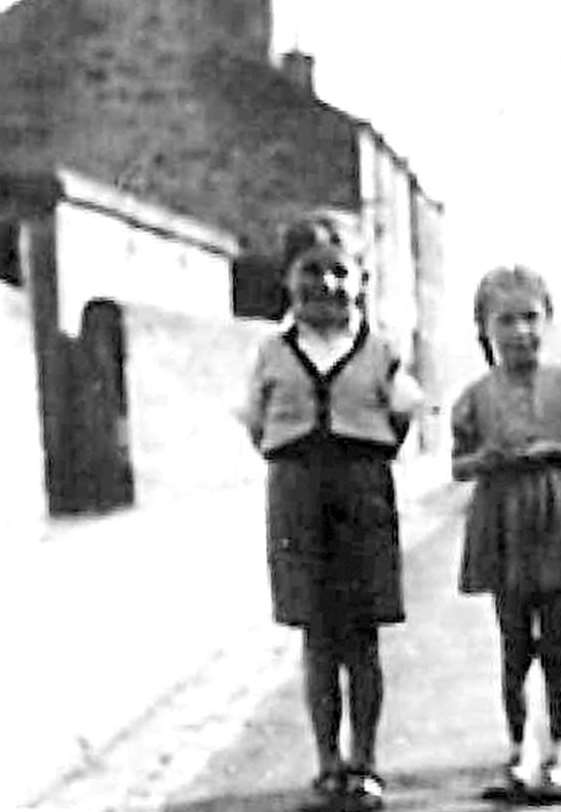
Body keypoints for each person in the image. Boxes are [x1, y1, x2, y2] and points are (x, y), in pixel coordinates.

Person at [238, 217, 423, 810]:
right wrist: (294, 457)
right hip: (296, 496)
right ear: (287, 279)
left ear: (362, 279)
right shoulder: (270, 351)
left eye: (340, 271)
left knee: (362, 638)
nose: (327, 284)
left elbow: (402, 418)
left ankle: (365, 762)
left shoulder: (384, 351)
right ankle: (326, 763)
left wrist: (362, 454)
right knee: (318, 638)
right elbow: (255, 421)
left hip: (364, 494)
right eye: (310, 271)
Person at [451, 266, 561, 799]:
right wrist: (487, 459)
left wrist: (557, 451)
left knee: (559, 646)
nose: (521, 331)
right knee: (513, 643)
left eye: (531, 318)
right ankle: (519, 749)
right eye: (506, 320)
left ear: (548, 321)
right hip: (503, 523)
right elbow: (458, 464)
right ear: (484, 329)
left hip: (558, 517)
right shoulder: (476, 395)